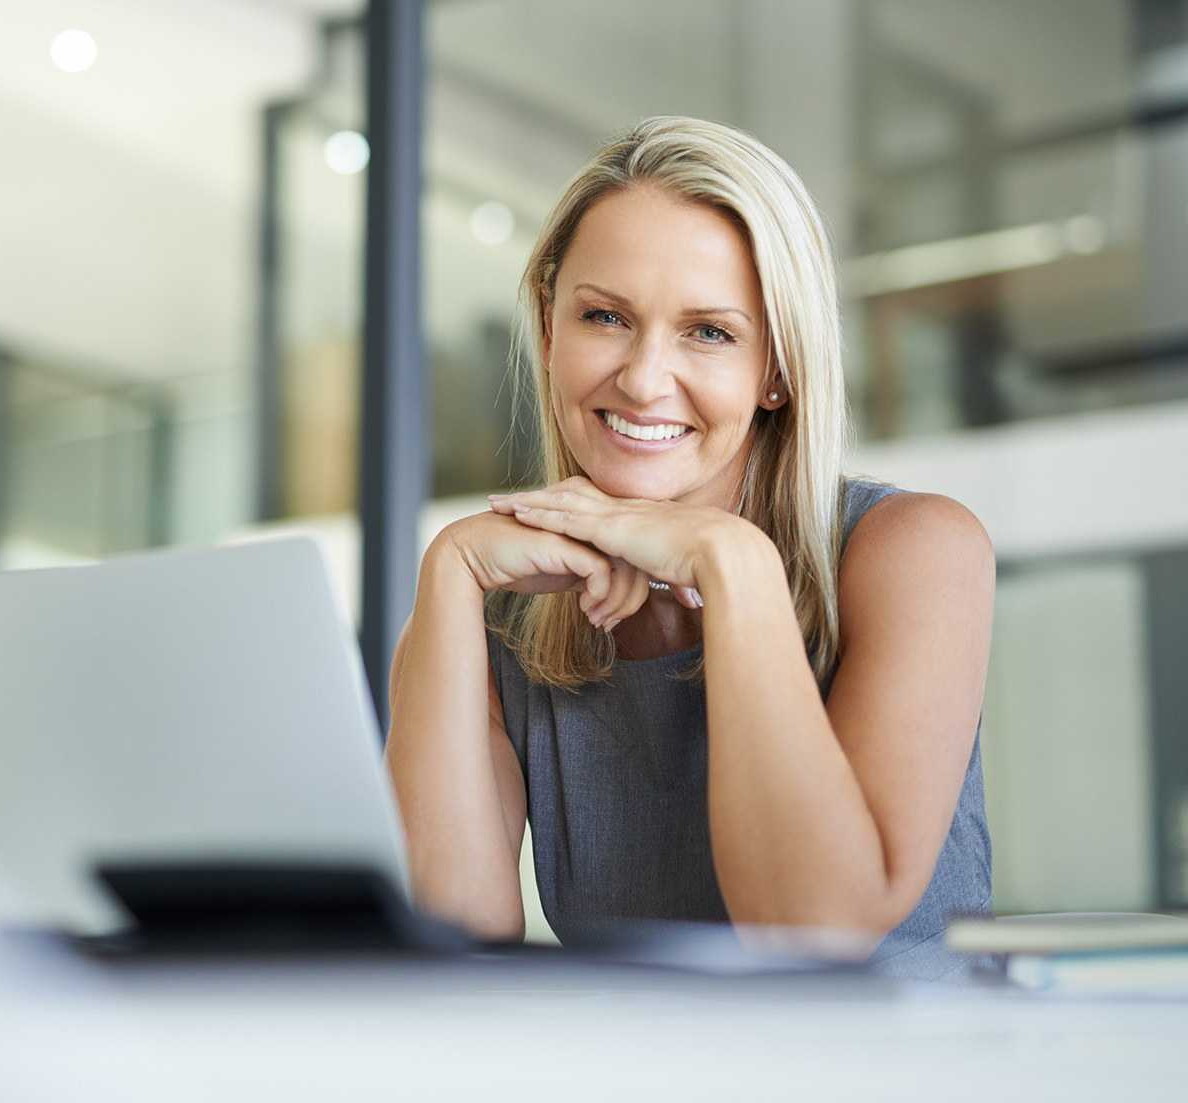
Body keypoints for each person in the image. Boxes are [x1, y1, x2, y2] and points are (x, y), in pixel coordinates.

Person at [384, 116, 996, 980]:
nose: (640, 378)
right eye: (604, 316)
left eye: (708, 331)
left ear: (778, 365)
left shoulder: (911, 551)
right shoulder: (493, 616)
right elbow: (445, 945)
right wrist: (448, 572)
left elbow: (818, 929)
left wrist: (733, 563)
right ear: (550, 331)